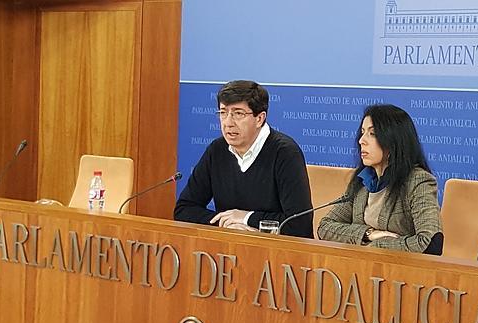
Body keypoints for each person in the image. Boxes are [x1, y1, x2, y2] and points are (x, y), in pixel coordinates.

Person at [174, 80, 313, 238]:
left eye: (238, 114)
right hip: (227, 253)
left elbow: (299, 224)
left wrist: (246, 218)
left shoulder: (285, 153)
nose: (228, 123)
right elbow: (184, 209)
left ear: (259, 118)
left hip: (279, 255)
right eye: (223, 112)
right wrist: (226, 224)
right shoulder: (217, 150)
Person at [317, 104, 442, 253]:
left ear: (393, 141)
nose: (361, 141)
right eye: (362, 133)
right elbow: (325, 227)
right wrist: (369, 234)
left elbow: (430, 243)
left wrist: (377, 246)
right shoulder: (363, 181)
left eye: (372, 134)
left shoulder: (418, 181)